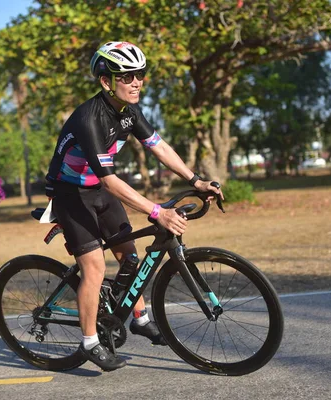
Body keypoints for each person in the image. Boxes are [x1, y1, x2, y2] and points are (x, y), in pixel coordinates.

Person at [44, 41, 223, 371]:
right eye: (127, 76)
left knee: (130, 257)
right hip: (70, 195)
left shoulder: (129, 112)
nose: (137, 82)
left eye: (140, 74)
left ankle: (138, 317)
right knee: (95, 268)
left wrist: (195, 180)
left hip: (99, 190)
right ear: (106, 81)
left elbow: (159, 147)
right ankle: (88, 342)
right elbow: (112, 180)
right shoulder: (90, 118)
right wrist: (158, 212)